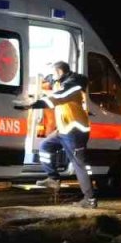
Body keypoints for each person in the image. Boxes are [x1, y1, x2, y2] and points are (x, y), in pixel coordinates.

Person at [18, 61, 96, 208]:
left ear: (60, 72)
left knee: (79, 164)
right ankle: (53, 178)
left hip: (75, 131)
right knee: (45, 147)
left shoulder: (72, 86)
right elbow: (48, 79)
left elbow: (57, 98)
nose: (52, 77)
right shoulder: (61, 80)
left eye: (54, 73)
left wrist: (32, 105)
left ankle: (90, 199)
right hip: (64, 129)